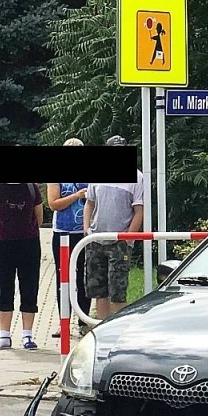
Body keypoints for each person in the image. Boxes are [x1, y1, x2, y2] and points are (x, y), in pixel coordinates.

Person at [82, 136, 145, 322]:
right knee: (99, 290)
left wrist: (127, 239)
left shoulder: (136, 177)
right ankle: (101, 328)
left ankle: (118, 328)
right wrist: (87, 230)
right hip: (96, 238)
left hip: (119, 241)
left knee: (118, 289)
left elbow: (139, 211)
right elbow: (89, 204)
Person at [0, 180, 43, 350]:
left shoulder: (31, 188)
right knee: (4, 287)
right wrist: (0, 233)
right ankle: (4, 335)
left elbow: (39, 217)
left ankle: (27, 335)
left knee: (29, 286)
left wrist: (27, 233)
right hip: (2, 245)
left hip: (29, 243)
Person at [45, 137, 89, 336]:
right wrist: (76, 196)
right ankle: (63, 321)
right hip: (63, 231)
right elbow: (53, 203)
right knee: (64, 277)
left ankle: (84, 320)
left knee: (83, 278)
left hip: (84, 232)